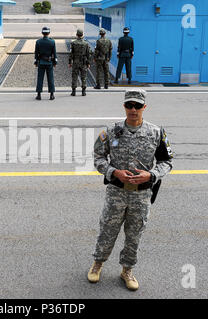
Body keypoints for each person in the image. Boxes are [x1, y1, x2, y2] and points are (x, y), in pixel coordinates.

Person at [88, 88, 173, 291]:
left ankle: (127, 270)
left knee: (135, 233)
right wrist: (113, 172)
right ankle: (97, 263)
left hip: (141, 194)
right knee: (108, 230)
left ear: (144, 107)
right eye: (129, 105)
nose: (133, 109)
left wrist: (151, 175)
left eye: (137, 106)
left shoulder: (156, 132)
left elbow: (167, 161)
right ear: (124, 106)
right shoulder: (110, 131)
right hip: (116, 192)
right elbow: (98, 157)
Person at [34, 26, 57, 100]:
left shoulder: (38, 42)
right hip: (49, 63)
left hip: (41, 62)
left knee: (40, 78)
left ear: (42, 33)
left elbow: (36, 53)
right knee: (50, 78)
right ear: (49, 33)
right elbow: (54, 54)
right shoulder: (52, 42)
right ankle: (52, 95)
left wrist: (36, 61)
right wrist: (55, 62)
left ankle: (39, 95)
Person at [69, 29, 92, 96]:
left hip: (75, 62)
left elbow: (71, 54)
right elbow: (88, 54)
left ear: (77, 35)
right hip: (83, 62)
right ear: (82, 35)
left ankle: (73, 91)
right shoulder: (86, 43)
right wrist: (88, 63)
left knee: (74, 76)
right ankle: (83, 91)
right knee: (84, 77)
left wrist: (70, 62)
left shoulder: (73, 43)